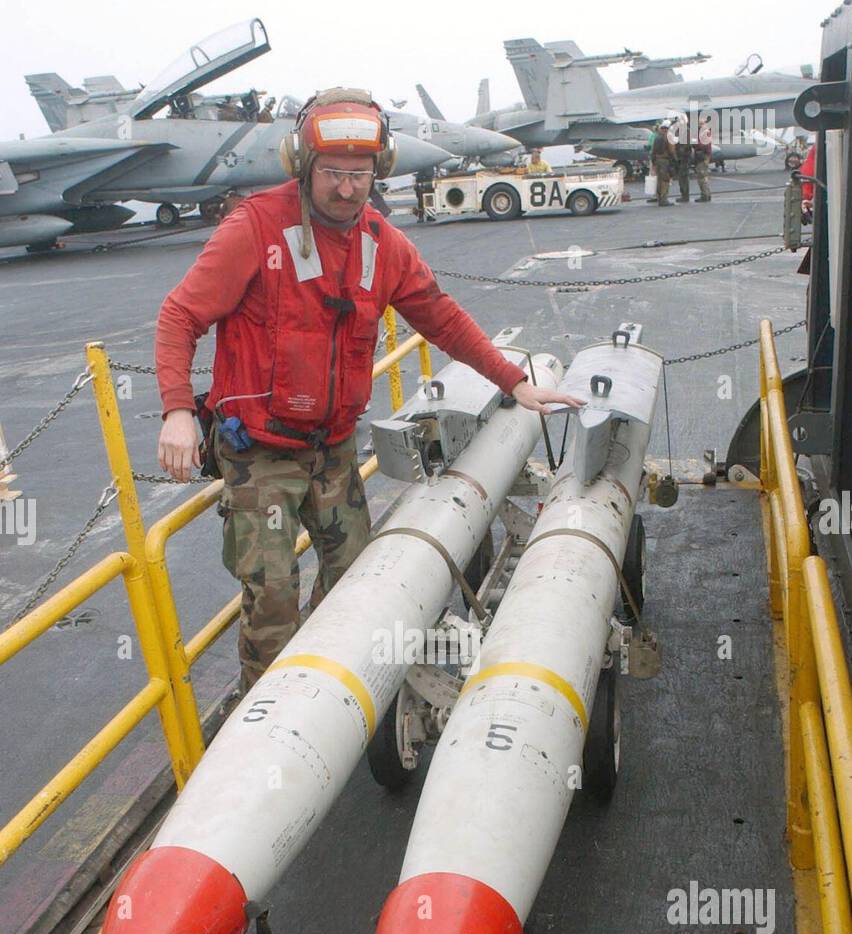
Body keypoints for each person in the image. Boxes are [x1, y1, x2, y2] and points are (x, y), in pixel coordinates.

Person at [156, 87, 583, 693]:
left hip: (330, 449)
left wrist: (513, 380)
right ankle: (265, 714)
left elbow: (440, 316)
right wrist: (176, 410)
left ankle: (328, 685)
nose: (347, 189)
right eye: (332, 173)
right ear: (302, 167)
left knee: (356, 579)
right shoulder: (253, 229)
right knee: (271, 593)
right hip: (259, 453)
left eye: (360, 175)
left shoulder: (381, 242)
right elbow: (180, 316)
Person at [650, 119, 675, 206]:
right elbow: (671, 151)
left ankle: (659, 197)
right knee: (665, 180)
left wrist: (653, 162)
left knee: (659, 179)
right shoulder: (668, 137)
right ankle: (664, 200)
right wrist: (675, 160)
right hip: (665, 161)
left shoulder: (657, 137)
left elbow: (653, 151)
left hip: (657, 161)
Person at [692, 113, 713, 203]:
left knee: (702, 177)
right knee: (703, 176)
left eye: (701, 124)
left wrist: (695, 143)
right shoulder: (705, 131)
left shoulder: (704, 132)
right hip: (704, 156)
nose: (700, 125)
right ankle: (707, 194)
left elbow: (703, 145)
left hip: (702, 156)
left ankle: (705, 195)